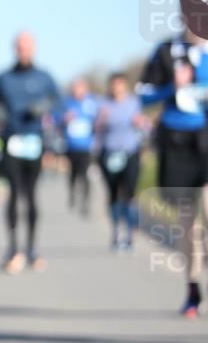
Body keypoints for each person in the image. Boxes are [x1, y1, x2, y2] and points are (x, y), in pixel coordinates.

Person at [138, 25, 208, 318]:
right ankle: (193, 288)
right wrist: (172, 87)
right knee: (188, 224)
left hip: (205, 140)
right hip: (176, 145)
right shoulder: (165, 52)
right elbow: (144, 96)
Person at [0, 30, 61, 274]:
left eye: (27, 47)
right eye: (20, 47)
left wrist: (43, 107)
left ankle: (32, 247)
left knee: (31, 195)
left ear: (34, 49)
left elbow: (58, 100)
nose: (24, 51)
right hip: (12, 141)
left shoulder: (44, 77)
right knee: (13, 194)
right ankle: (12, 248)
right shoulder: (4, 77)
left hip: (35, 142)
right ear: (14, 49)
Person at [95, 73, 148, 253]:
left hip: (130, 153)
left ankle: (130, 235)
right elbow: (95, 132)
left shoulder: (134, 103)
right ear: (110, 86)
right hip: (110, 154)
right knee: (114, 194)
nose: (117, 88)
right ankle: (116, 232)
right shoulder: (103, 105)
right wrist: (100, 121)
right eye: (114, 85)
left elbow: (145, 127)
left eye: (120, 85)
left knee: (130, 194)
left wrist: (141, 124)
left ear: (125, 86)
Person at [61, 78, 100, 216]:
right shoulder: (67, 103)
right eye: (75, 88)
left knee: (85, 174)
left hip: (86, 146)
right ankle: (72, 195)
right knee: (73, 173)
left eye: (80, 88)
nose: (77, 91)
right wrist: (64, 118)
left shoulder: (92, 103)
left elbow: (99, 119)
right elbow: (56, 118)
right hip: (71, 146)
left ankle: (85, 202)